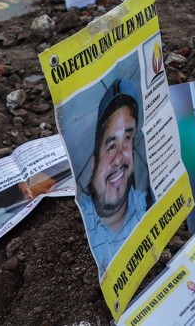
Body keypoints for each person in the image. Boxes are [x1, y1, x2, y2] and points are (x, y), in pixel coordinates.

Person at [78, 78, 152, 274]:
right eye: (111, 145)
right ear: (94, 162)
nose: (119, 159)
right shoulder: (78, 225)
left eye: (127, 139)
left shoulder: (148, 206)